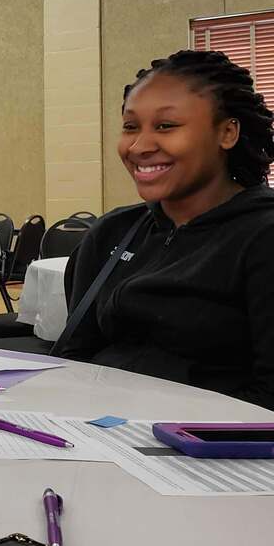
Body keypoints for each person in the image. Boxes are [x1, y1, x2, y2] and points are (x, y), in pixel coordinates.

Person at [57, 49, 274, 410]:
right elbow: (74, 358)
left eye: (166, 126)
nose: (140, 146)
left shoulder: (263, 237)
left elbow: (268, 400)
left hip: (203, 454)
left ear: (227, 132)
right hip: (94, 436)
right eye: (130, 127)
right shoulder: (113, 233)